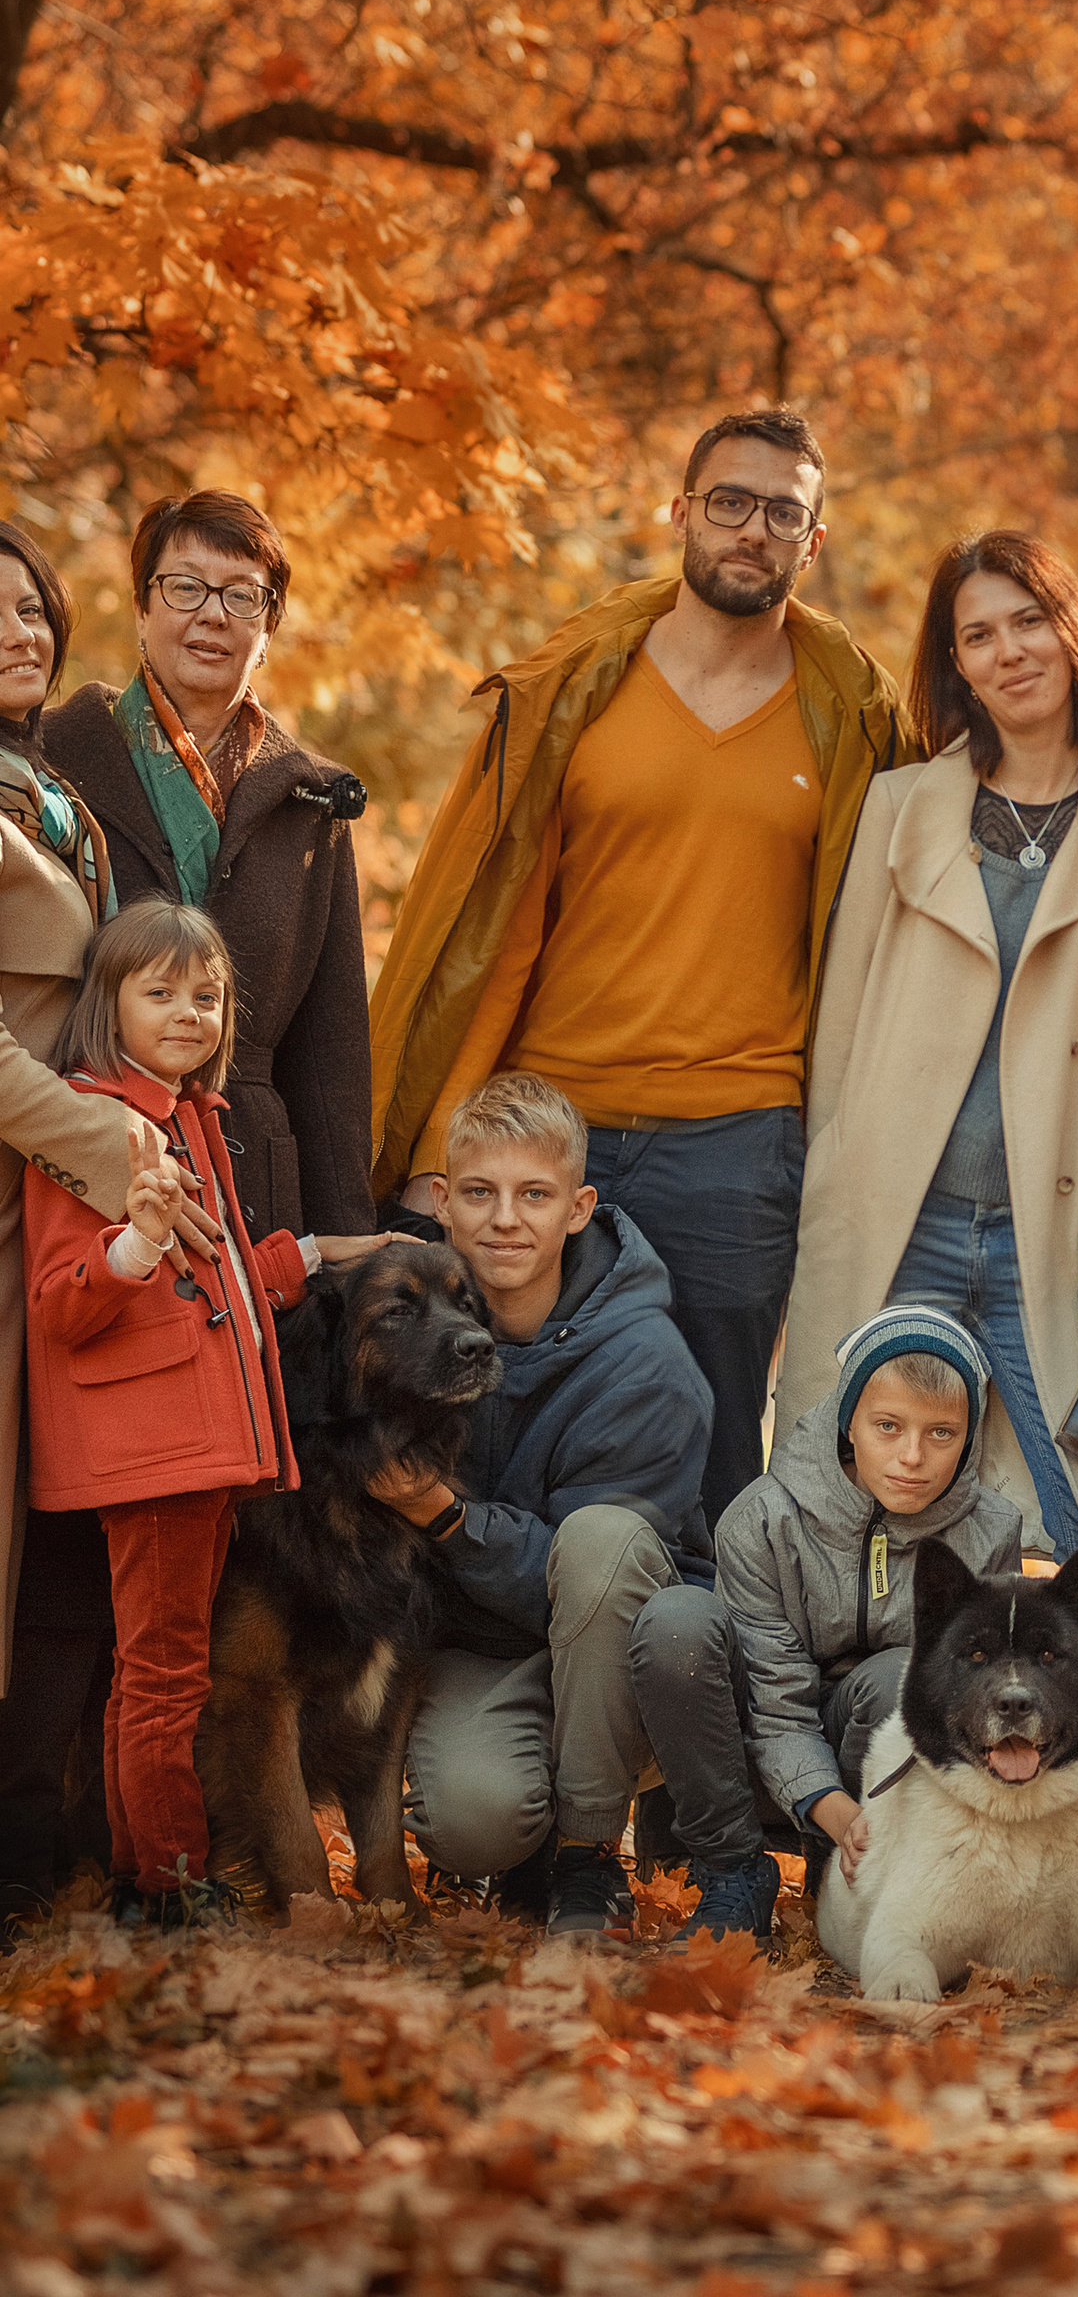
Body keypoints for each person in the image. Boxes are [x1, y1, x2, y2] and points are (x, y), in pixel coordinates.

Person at [370, 406, 915, 1523]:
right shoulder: (572, 685)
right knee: (482, 1420)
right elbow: (480, 925)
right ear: (680, 512)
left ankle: (698, 1677)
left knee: (713, 1448)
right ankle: (502, 1682)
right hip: (546, 1124)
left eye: (782, 512)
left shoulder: (856, 719)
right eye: (729, 501)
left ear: (811, 544)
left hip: (739, 1134)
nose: (750, 528)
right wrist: (441, 1141)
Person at [775, 531, 1078, 1791]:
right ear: (952, 663)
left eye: (1029, 620)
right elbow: (841, 1024)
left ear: (1074, 635)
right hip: (896, 1219)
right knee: (847, 1505)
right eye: (978, 632)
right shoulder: (906, 806)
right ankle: (828, 1815)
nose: (1008, 650)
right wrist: (831, 1183)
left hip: (1048, 1233)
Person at [23, 903, 390, 1921]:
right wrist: (132, 1242)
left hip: (202, 1446)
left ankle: (152, 1874)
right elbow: (63, 1301)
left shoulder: (192, 1116)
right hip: (153, 1451)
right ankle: (173, 1882)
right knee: (164, 1673)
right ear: (109, 1004)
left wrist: (313, 1256)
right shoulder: (93, 1119)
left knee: (156, 1666)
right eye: (161, 993)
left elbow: (215, 1282)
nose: (189, 1012)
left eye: (208, 995)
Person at [378, 1074, 774, 1939]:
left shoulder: (645, 1359)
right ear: (441, 1203)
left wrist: (446, 1515)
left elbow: (582, 1579)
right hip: (486, 1648)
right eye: (479, 1194)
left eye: (534, 1195)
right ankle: (520, 1843)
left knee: (598, 1540)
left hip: (631, 1651)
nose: (504, 1220)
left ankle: (586, 1858)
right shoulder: (404, 1327)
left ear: (580, 1207)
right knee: (470, 1823)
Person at [0, 528, 210, 1929]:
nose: (17, 624)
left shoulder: (44, 787)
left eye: (27, 601)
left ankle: (45, 1847)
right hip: (44, 1172)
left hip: (52, 1211)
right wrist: (109, 1139)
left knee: (62, 1547)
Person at [44, 491, 374, 1242]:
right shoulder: (56, 762)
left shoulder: (312, 799)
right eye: (185, 587)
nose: (212, 614)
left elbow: (331, 1056)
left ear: (270, 625)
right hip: (86, 1161)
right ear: (141, 606)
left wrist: (347, 1241)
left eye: (242, 595)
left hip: (252, 1184)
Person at [717, 1305, 1024, 1889]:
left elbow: (970, 1698)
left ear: (967, 1437)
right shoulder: (762, 1520)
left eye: (941, 1433)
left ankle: (868, 1872)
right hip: (763, 1743)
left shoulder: (991, 1535)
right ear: (847, 1422)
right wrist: (834, 1811)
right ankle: (734, 1870)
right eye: (888, 1426)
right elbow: (774, 1699)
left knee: (907, 1677)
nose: (913, 1457)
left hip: (890, 1759)